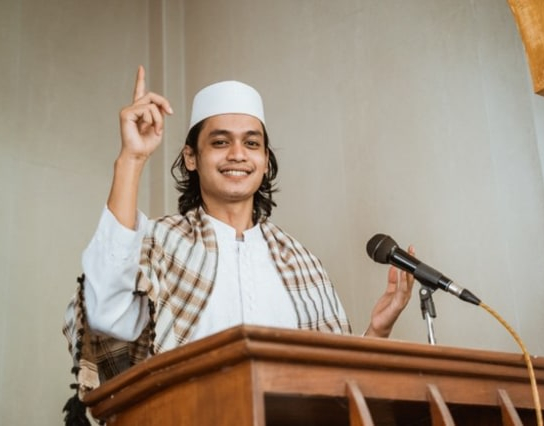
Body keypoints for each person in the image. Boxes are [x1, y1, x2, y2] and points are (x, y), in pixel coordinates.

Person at [62, 66, 415, 416]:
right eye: (219, 142)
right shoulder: (160, 243)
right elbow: (104, 313)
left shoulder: (301, 263)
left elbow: (336, 384)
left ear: (264, 161)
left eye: (251, 143)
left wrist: (376, 332)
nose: (237, 154)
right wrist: (132, 159)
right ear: (191, 158)